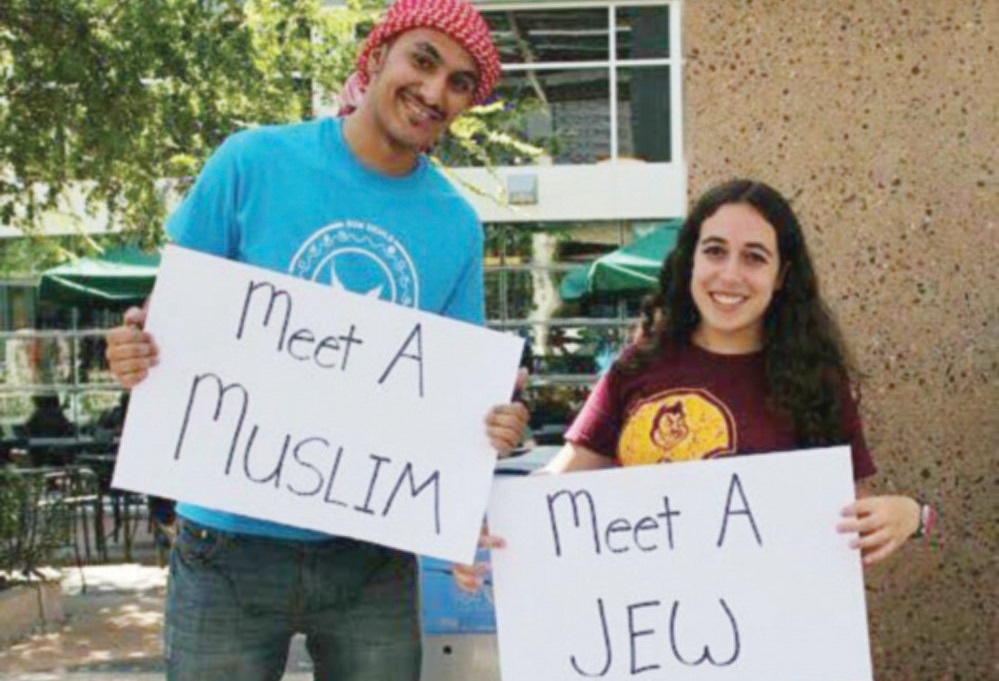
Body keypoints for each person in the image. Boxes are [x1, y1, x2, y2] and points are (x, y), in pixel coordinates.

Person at [104, 1, 527, 679]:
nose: (433, 91)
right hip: (226, 543)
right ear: (377, 54)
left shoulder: (455, 226)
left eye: (459, 83)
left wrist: (495, 424)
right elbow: (167, 321)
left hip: (369, 554)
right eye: (422, 60)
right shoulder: (252, 162)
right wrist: (132, 350)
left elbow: (452, 397)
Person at [455, 179, 935, 591]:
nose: (730, 274)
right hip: (640, 642)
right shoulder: (636, 368)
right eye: (714, 251)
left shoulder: (815, 381)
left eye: (754, 257)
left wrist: (912, 515)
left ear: (782, 275)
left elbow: (847, 515)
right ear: (689, 262)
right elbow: (562, 483)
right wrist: (499, 527)